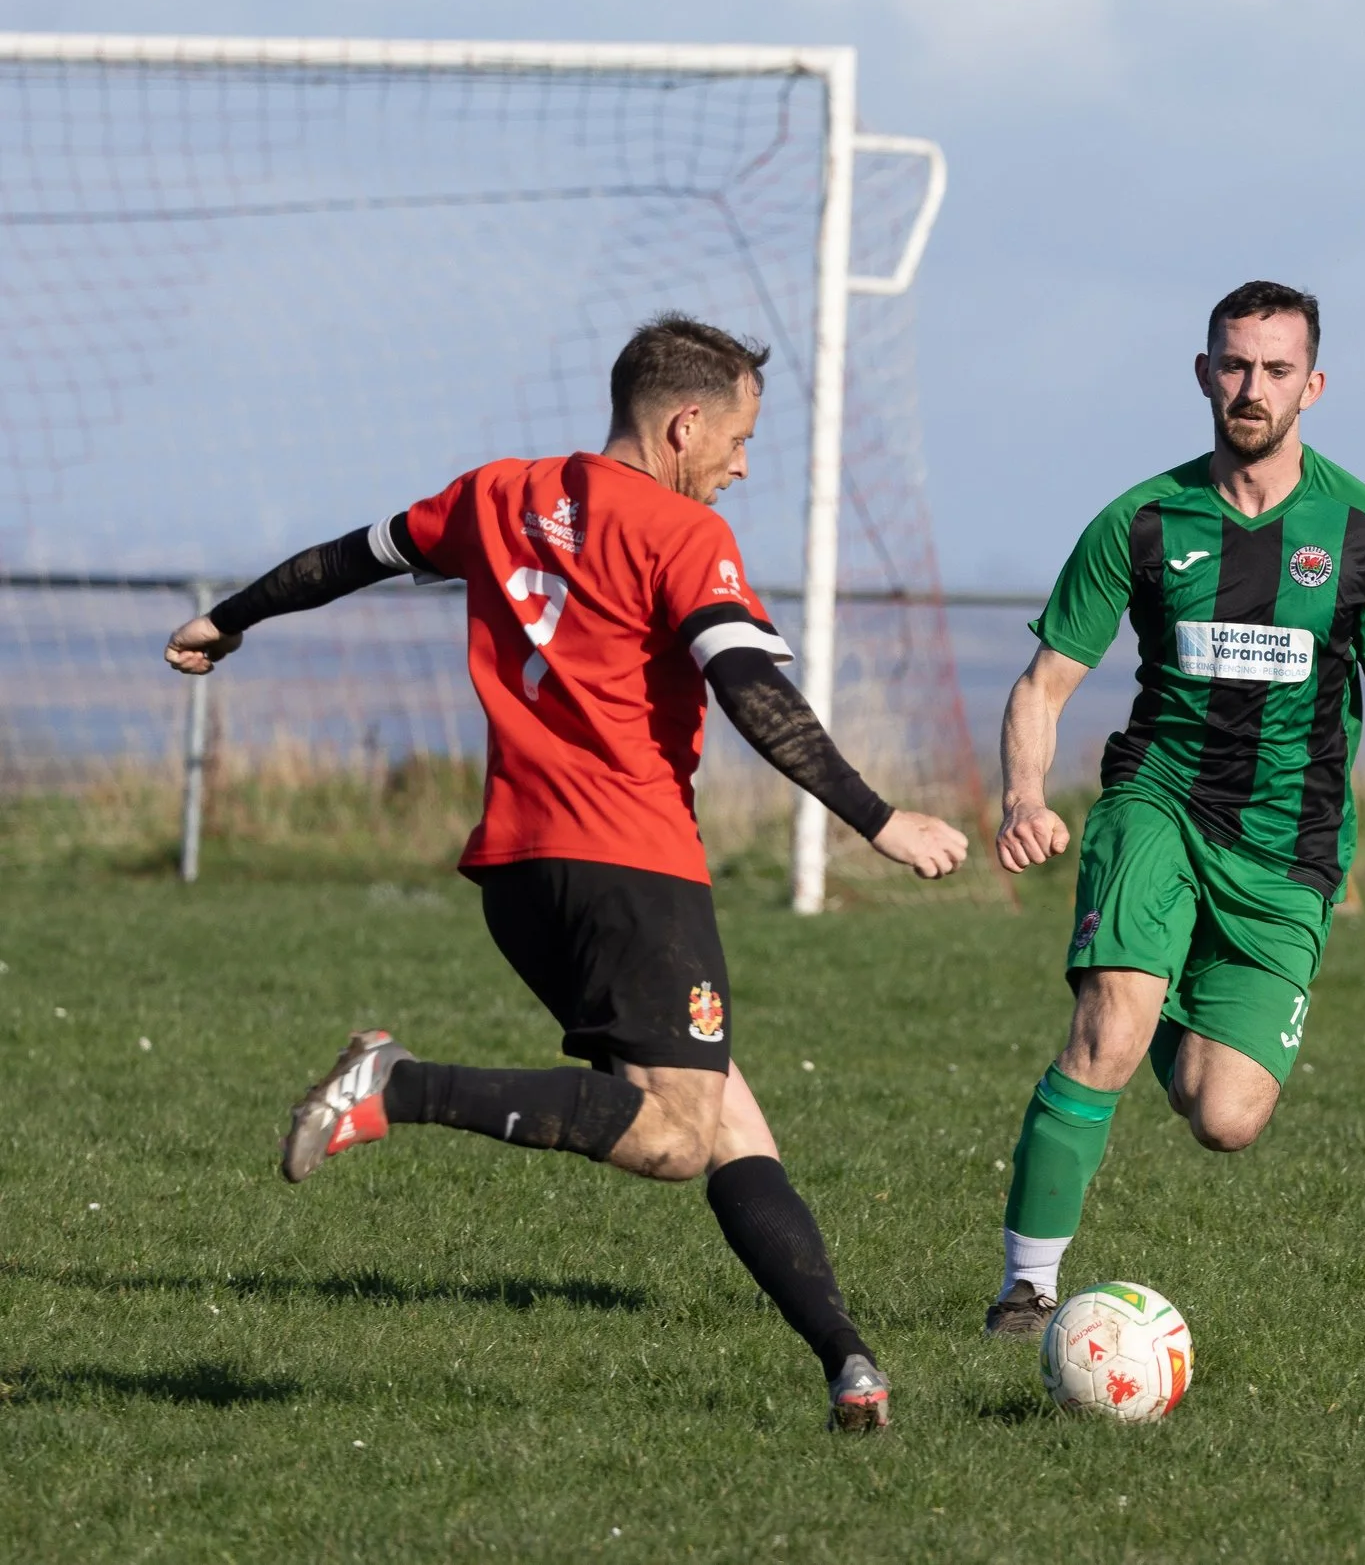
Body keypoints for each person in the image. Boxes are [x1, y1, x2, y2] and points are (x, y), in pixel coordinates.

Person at [163, 314, 969, 1428]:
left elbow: (351, 556)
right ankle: (398, 1084)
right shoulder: (684, 536)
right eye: (739, 437)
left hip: (520, 878)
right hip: (629, 866)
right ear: (685, 425)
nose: (744, 463)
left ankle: (848, 1359)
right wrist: (877, 819)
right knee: (677, 1137)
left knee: (727, 1115)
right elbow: (751, 690)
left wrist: (228, 616)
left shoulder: (497, 493)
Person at [982, 280, 1365, 1337]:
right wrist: (1022, 793)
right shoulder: (1140, 521)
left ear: (1312, 386)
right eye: (1233, 364)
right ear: (1202, 373)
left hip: (1291, 850)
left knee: (1222, 1114)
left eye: (1276, 369)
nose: (1251, 387)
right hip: (1159, 803)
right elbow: (1042, 685)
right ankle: (1026, 1286)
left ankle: (1158, 981)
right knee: (1105, 1029)